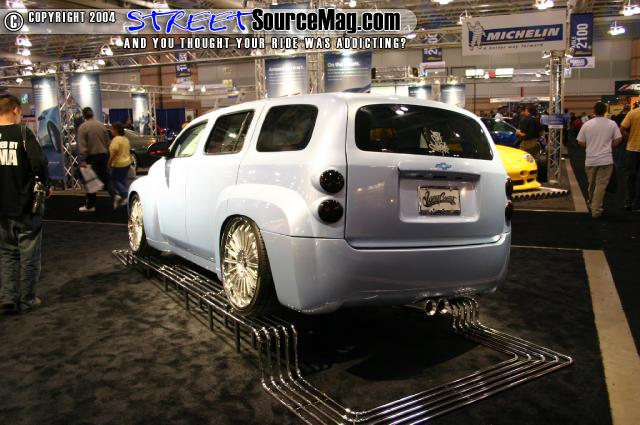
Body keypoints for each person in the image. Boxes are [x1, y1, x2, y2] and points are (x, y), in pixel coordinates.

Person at [0, 94, 50, 312]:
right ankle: (27, 298)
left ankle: (7, 298)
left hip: (2, 209)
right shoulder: (23, 133)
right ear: (15, 110)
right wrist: (45, 185)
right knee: (29, 254)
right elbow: (39, 163)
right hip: (26, 205)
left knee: (6, 253)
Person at [576, 102, 623, 218]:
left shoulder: (587, 124)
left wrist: (590, 146)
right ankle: (596, 210)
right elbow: (618, 139)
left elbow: (580, 142)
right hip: (606, 160)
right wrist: (610, 146)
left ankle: (591, 203)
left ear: (594, 111)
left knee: (591, 184)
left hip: (590, 159)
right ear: (605, 111)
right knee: (601, 185)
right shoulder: (612, 124)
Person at [77, 107, 115, 212]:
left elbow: (83, 145)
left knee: (90, 181)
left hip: (91, 157)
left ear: (84, 116)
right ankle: (116, 196)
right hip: (104, 155)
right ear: (92, 114)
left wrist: (83, 159)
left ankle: (90, 205)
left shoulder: (83, 127)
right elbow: (108, 142)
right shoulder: (101, 125)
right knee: (106, 178)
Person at [621, 103, 640, 212]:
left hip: (632, 149)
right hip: (633, 149)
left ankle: (628, 202)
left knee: (630, 177)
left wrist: (629, 137)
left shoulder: (632, 113)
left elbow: (622, 129)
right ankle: (637, 205)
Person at [108, 122, 132, 210]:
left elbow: (114, 153)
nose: (111, 131)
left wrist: (109, 163)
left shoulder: (116, 140)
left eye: (112, 129)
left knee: (115, 181)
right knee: (122, 181)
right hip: (127, 163)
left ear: (116, 130)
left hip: (119, 164)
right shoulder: (125, 139)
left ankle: (126, 195)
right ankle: (125, 198)